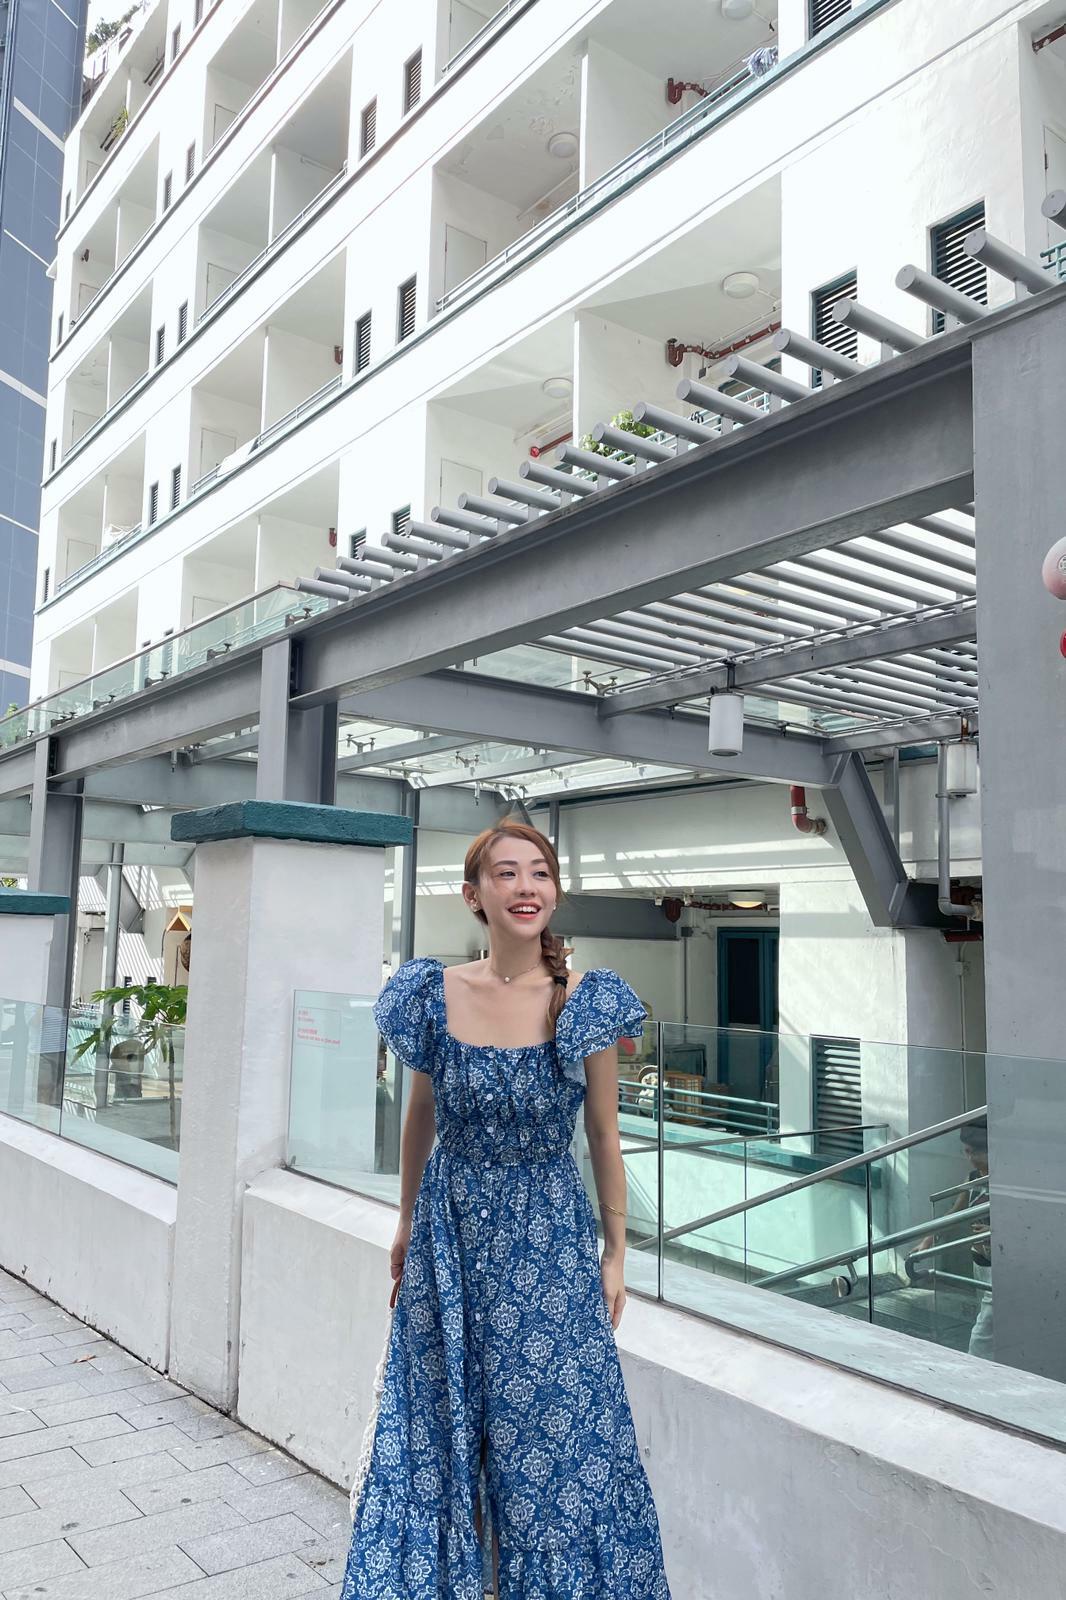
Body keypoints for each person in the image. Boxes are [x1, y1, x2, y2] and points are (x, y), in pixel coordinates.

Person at [341, 818, 672, 1599]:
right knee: (436, 1435)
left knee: (555, 1446)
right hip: (448, 1235)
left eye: (540, 873)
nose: (527, 887)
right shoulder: (433, 994)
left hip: (547, 1244)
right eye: (507, 873)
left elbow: (604, 1135)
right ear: (474, 895)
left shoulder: (585, 1002)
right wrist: (405, 1221)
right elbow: (419, 1115)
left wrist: (616, 1255)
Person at [913, 1123, 992, 1361]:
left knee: (983, 1329)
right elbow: (954, 1213)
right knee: (989, 1317)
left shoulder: (1005, 1179)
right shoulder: (972, 1179)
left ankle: (973, 1366)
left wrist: (995, 1230)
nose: (970, 1158)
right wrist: (928, 1240)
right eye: (966, 1152)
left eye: (975, 1152)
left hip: (1000, 1262)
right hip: (980, 1261)